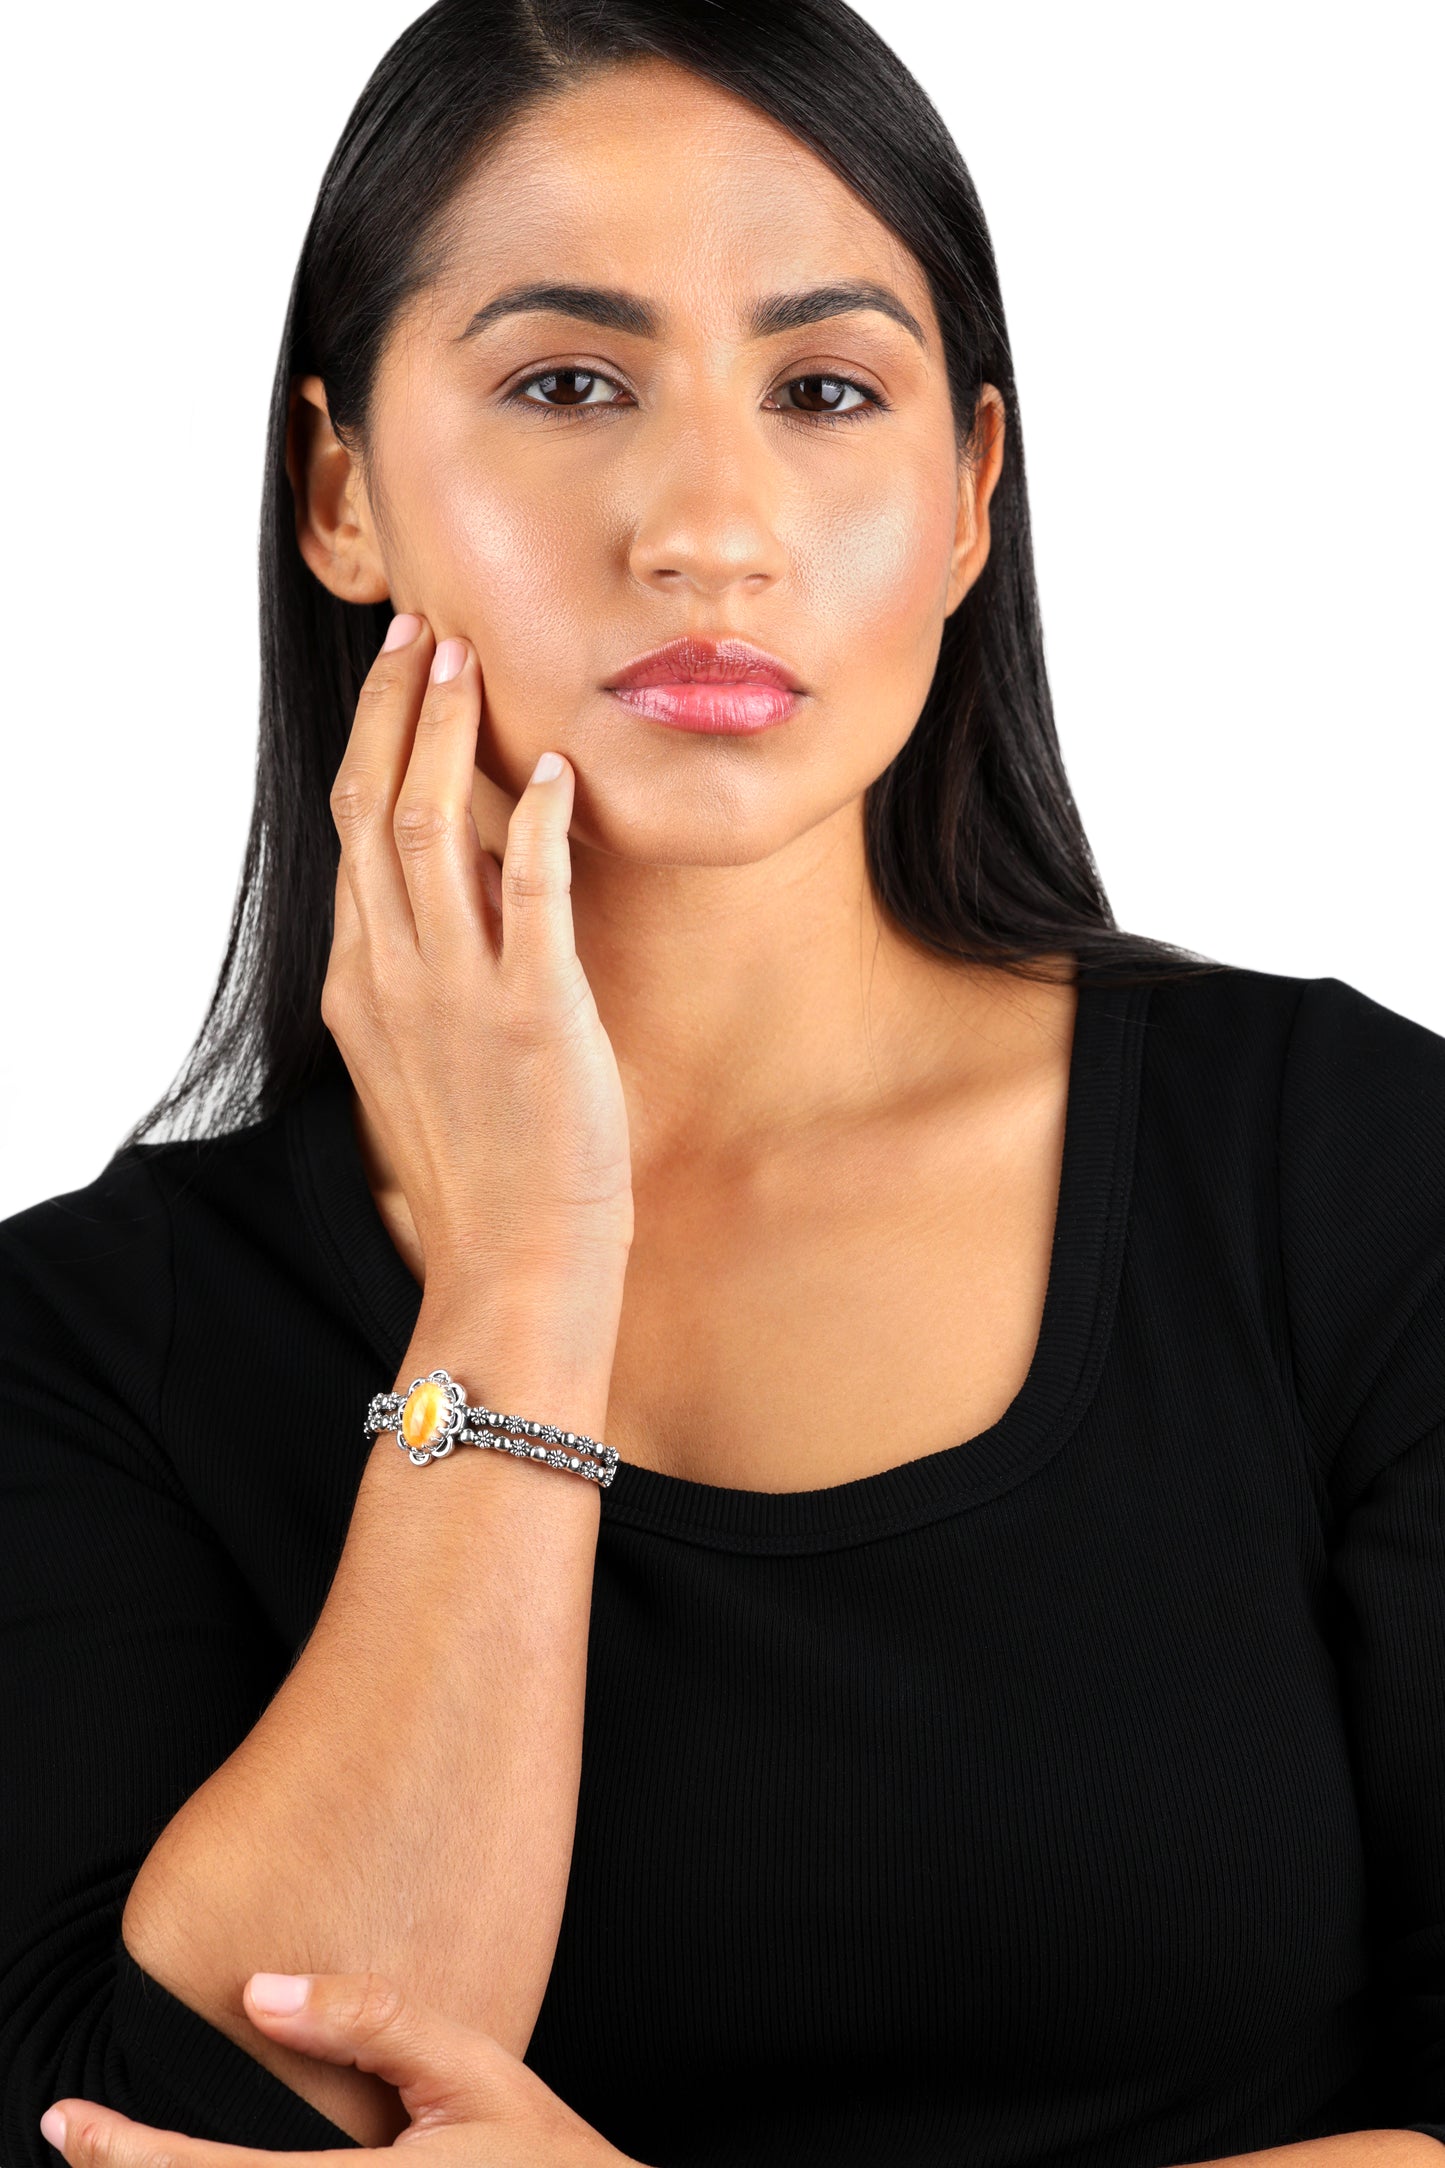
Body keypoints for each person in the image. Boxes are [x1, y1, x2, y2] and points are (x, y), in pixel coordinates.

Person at [3, 2, 1443, 2164]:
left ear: (969, 498)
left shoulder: (1355, 1175)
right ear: (340, 491)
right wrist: (525, 1263)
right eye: (571, 383)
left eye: (825, 390)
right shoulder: (84, 1353)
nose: (709, 524)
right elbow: (169, 2129)